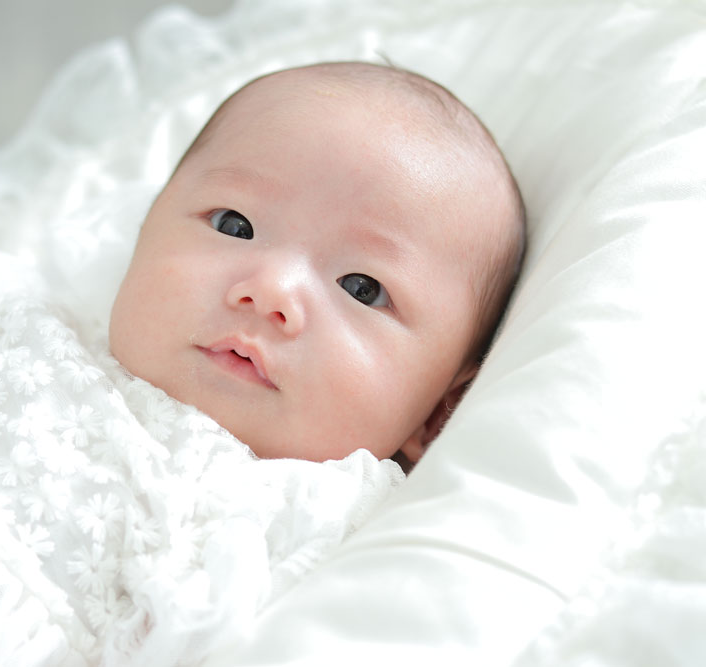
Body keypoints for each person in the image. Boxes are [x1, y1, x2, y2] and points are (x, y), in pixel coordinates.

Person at [110, 61, 526, 469]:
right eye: (235, 226)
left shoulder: (367, 527)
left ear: (439, 415)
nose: (271, 288)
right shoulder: (50, 348)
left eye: (362, 288)